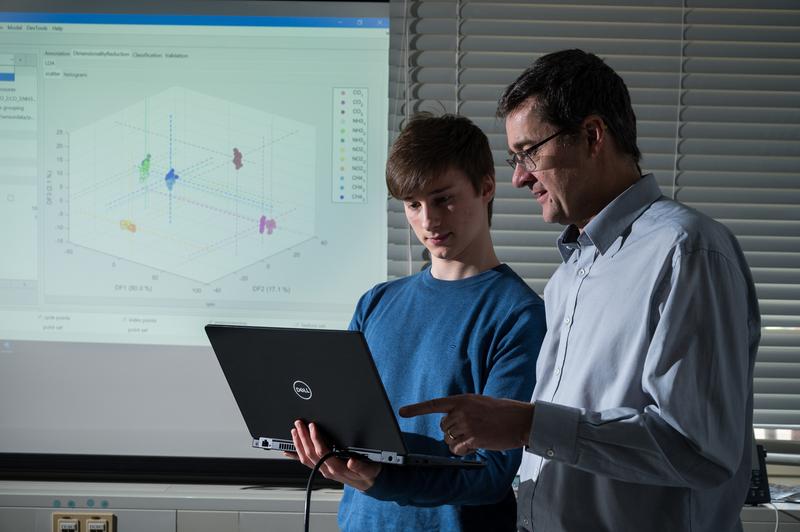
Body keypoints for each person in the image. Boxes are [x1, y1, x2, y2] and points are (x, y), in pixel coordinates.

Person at [400, 49, 761, 532]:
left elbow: (699, 448)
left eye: (530, 152)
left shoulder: (687, 251)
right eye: (514, 158)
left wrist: (528, 425)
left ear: (592, 136)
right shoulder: (570, 275)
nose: (518, 177)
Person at [288, 113, 547, 531]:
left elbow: (493, 475)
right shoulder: (376, 303)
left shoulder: (519, 316)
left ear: (486, 186)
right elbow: (349, 424)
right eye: (413, 204)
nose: (427, 221)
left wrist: (383, 479)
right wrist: (321, 443)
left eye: (443, 199)